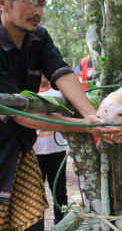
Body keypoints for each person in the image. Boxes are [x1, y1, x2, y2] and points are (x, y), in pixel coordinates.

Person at [0, 0, 122, 231]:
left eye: (41, 2)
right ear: (2, 2)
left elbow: (62, 73)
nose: (37, 10)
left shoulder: (38, 37)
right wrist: (85, 126)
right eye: (29, 0)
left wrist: (93, 116)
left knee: (32, 225)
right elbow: (19, 115)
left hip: (19, 151)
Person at [33, 75, 69, 225]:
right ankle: (36, 224)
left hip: (56, 151)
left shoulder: (58, 94)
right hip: (35, 153)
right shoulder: (28, 93)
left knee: (59, 191)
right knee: (34, 193)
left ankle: (62, 223)